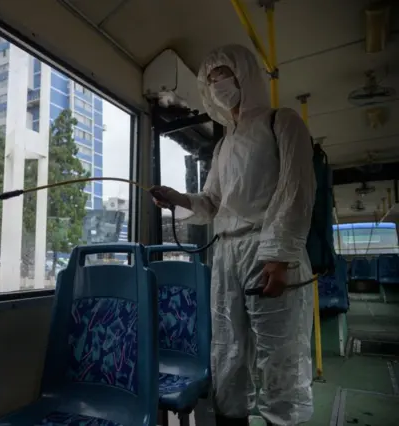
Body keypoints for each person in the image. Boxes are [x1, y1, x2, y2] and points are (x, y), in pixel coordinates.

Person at [151, 44, 315, 426]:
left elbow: (296, 190)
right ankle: (230, 418)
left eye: (224, 74)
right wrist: (178, 198)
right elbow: (211, 203)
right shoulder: (223, 145)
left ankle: (282, 420)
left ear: (246, 76)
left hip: (269, 248)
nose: (218, 84)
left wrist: (279, 255)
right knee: (227, 348)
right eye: (211, 80)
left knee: (279, 353)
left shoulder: (283, 122)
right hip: (226, 254)